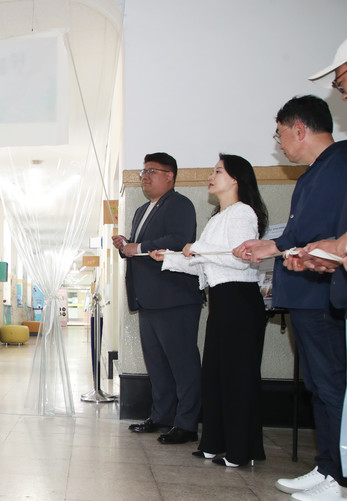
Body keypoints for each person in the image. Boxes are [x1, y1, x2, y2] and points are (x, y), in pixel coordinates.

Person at [234, 95, 347, 500]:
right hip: (305, 293)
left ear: (299, 129)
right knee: (317, 385)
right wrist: (272, 246)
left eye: (280, 134)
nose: (279, 143)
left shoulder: (341, 163)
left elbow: (327, 236)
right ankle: (328, 466)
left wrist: (289, 248)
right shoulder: (312, 174)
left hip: (323, 293)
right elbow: (299, 236)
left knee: (331, 385)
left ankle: (339, 478)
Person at [150, 154, 268, 467]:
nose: (211, 176)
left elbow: (240, 259)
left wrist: (197, 249)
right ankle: (214, 443)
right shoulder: (218, 218)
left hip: (240, 300)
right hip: (222, 300)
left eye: (218, 171)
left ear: (236, 179)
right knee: (215, 374)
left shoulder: (243, 213)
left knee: (236, 376)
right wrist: (170, 258)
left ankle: (241, 451)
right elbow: (204, 263)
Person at [111, 152, 203, 445]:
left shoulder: (179, 204)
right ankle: (162, 416)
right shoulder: (141, 210)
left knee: (183, 363)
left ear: (170, 176)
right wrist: (126, 245)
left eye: (152, 171)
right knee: (157, 364)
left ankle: (186, 423)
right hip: (148, 298)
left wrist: (137, 247)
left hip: (174, 297)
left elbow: (179, 240)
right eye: (143, 172)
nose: (145, 177)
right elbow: (139, 250)